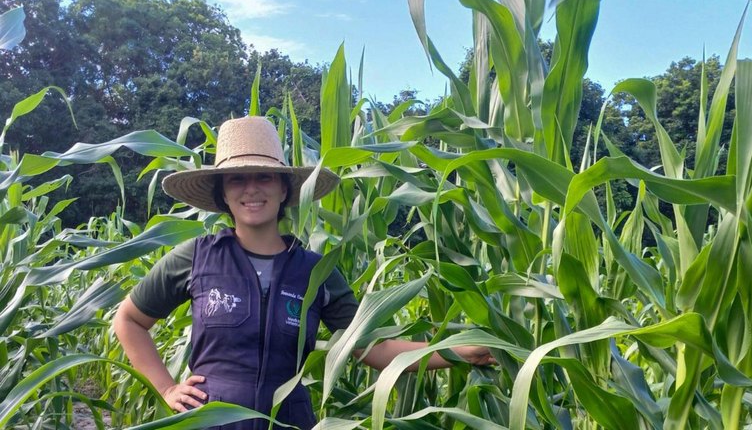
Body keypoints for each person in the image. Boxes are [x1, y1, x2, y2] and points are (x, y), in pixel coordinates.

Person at [113, 116, 494, 430]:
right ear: (222, 194)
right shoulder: (195, 258)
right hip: (210, 422)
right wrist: (166, 388)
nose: (251, 190)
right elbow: (129, 319)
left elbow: (371, 348)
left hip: (290, 421)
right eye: (237, 179)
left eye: (264, 177)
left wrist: (459, 351)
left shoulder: (316, 271)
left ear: (284, 189)